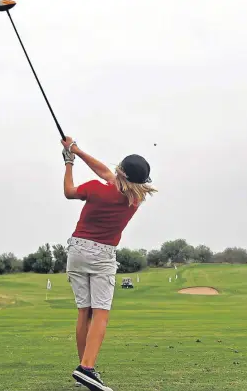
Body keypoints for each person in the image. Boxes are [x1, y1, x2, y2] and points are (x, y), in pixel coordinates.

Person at [61, 137, 157, 391]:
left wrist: (70, 161)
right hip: (103, 255)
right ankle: (86, 368)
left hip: (77, 249)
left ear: (119, 171)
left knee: (85, 311)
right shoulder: (134, 200)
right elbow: (106, 172)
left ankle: (85, 369)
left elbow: (70, 192)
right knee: (101, 312)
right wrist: (77, 150)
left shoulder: (95, 188)